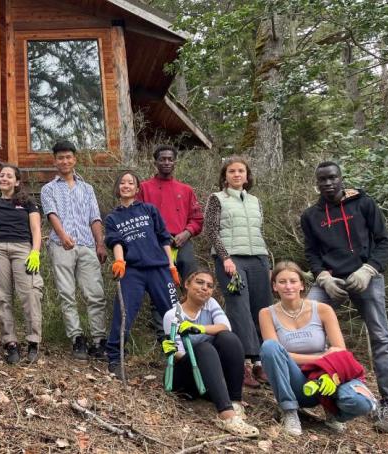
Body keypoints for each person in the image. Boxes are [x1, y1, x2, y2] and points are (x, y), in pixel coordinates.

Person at [300, 161, 388, 432]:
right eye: (322, 180)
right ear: (317, 182)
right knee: (304, 321)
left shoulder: (363, 204)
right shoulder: (311, 215)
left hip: (365, 277)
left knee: (381, 337)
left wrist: (369, 269)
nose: (328, 183)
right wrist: (322, 277)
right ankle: (306, 393)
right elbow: (311, 253)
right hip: (331, 278)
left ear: (341, 178)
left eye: (332, 178)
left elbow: (383, 242)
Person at [259, 261, 378, 435]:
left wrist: (321, 361)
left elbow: (340, 350)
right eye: (282, 282)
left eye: (293, 281)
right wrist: (320, 358)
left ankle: (334, 414)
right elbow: (275, 353)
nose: (288, 286)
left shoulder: (323, 310)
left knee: (362, 402)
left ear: (301, 284)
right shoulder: (267, 313)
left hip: (326, 377)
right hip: (296, 382)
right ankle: (289, 411)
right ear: (274, 286)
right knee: (269, 347)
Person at [162, 270, 258, 437]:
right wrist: (173, 350)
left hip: (210, 380)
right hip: (187, 377)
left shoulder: (210, 304)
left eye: (209, 285)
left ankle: (235, 402)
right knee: (204, 348)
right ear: (187, 284)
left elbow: (225, 326)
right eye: (199, 282)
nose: (204, 288)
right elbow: (179, 354)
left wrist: (199, 329)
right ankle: (227, 416)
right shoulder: (173, 315)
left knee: (228, 339)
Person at [204, 156, 272, 388]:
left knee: (262, 308)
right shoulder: (217, 199)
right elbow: (211, 230)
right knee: (239, 308)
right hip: (231, 260)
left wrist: (266, 263)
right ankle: (241, 363)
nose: (236, 175)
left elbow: (258, 230)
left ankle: (261, 362)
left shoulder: (255, 201)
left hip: (258, 259)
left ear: (247, 175)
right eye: (231, 171)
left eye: (241, 171)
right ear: (225, 176)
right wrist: (225, 257)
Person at [104, 169, 179, 372]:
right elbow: (115, 241)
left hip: (159, 269)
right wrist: (120, 262)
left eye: (130, 183)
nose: (126, 186)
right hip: (133, 271)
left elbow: (163, 237)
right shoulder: (112, 218)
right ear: (118, 188)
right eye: (122, 183)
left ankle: (179, 355)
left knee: (172, 313)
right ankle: (114, 357)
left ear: (137, 189)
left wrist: (171, 265)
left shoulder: (149, 209)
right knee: (124, 313)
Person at [40, 140, 109, 360]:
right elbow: (52, 214)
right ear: (55, 161)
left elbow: (95, 217)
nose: (65, 161)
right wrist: (63, 236)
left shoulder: (87, 188)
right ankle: (77, 338)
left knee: (95, 294)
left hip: (87, 244)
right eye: (60, 157)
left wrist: (100, 243)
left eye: (68, 157)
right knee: (67, 293)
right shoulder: (48, 189)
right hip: (61, 246)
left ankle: (99, 340)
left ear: (74, 159)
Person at [0, 165, 43, 364]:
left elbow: (36, 230)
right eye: (1, 175)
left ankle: (33, 341)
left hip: (22, 248)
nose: (4, 178)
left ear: (16, 181)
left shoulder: (28, 203)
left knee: (30, 293)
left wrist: (35, 252)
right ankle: (10, 343)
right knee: (0, 295)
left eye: (8, 176)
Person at [138, 145, 203, 340]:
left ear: (175, 162)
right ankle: (164, 333)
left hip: (181, 242)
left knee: (190, 283)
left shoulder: (186, 190)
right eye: (162, 159)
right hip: (157, 245)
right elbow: (139, 218)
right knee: (160, 286)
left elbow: (197, 219)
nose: (166, 162)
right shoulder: (144, 188)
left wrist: (187, 232)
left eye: (170, 159)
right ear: (155, 162)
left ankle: (190, 327)